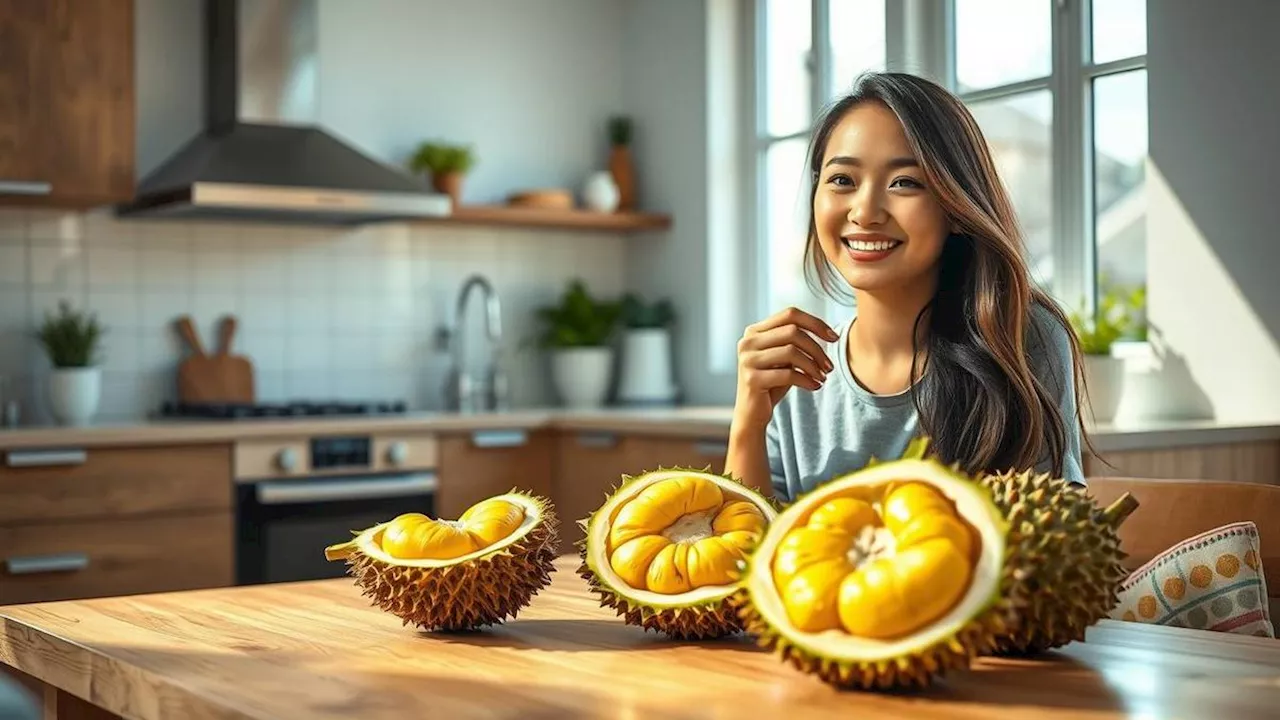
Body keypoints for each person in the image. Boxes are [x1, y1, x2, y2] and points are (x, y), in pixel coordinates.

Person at [725, 71, 1092, 504]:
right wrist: (748, 418)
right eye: (842, 180)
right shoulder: (795, 369)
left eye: (905, 182)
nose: (865, 211)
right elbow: (744, 556)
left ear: (956, 206)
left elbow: (1056, 539)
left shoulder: (1020, 339)